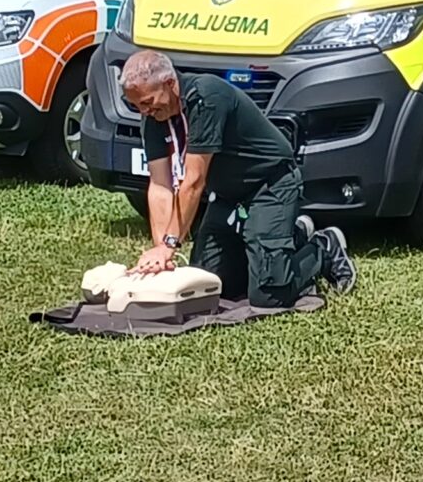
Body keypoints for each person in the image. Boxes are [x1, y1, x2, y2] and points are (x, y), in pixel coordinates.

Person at [120, 50, 356, 306]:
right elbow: (159, 185)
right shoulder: (154, 115)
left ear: (169, 83)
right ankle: (289, 236)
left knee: (269, 294)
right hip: (227, 194)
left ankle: (323, 248)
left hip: (269, 184)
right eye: (136, 105)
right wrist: (160, 254)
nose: (143, 110)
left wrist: (170, 244)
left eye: (147, 101)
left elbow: (194, 181)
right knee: (209, 285)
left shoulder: (206, 97)